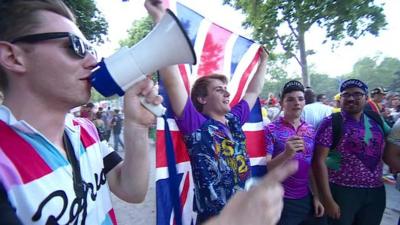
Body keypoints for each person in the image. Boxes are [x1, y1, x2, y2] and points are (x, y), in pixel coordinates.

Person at [0, 0, 161, 224]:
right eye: (75, 46)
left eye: (90, 49)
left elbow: (132, 190)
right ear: (12, 57)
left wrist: (136, 124)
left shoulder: (86, 131)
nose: (93, 61)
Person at [145, 0, 268, 223]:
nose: (227, 94)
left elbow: (253, 90)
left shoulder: (234, 119)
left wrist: (264, 61)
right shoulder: (195, 125)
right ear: (202, 99)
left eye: (226, 90)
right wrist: (160, 21)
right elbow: (172, 78)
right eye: (219, 90)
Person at [312, 79, 389, 225]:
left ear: (366, 98)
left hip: (375, 193)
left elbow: (391, 145)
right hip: (342, 192)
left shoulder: (376, 120)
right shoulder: (331, 122)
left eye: (357, 94)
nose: (351, 98)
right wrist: (327, 199)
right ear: (340, 99)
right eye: (346, 95)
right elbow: (318, 161)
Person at [264, 80, 324, 225]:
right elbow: (267, 168)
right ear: (282, 103)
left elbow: (309, 167)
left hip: (306, 198)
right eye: (290, 99)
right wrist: (286, 154)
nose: (296, 103)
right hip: (281, 200)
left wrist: (316, 196)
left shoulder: (310, 130)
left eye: (300, 99)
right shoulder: (270, 130)